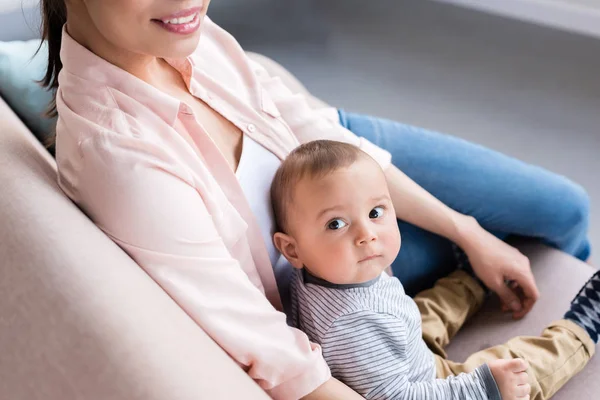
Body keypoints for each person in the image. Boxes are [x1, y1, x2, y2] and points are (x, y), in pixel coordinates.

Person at [39, 0, 591, 398]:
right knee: (544, 230)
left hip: (333, 152)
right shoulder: (121, 155)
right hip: (327, 268)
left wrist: (467, 230)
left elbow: (319, 132)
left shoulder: (182, 31)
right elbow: (269, 347)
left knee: (563, 210)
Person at [272, 140, 597, 400]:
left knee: (432, 305)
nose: (366, 234)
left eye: (375, 212)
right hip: (424, 382)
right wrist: (484, 388)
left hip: (402, 342)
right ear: (291, 249)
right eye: (336, 223)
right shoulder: (353, 328)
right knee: (521, 372)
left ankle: (471, 279)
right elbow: (398, 396)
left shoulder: (323, 271)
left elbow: (389, 317)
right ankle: (580, 328)